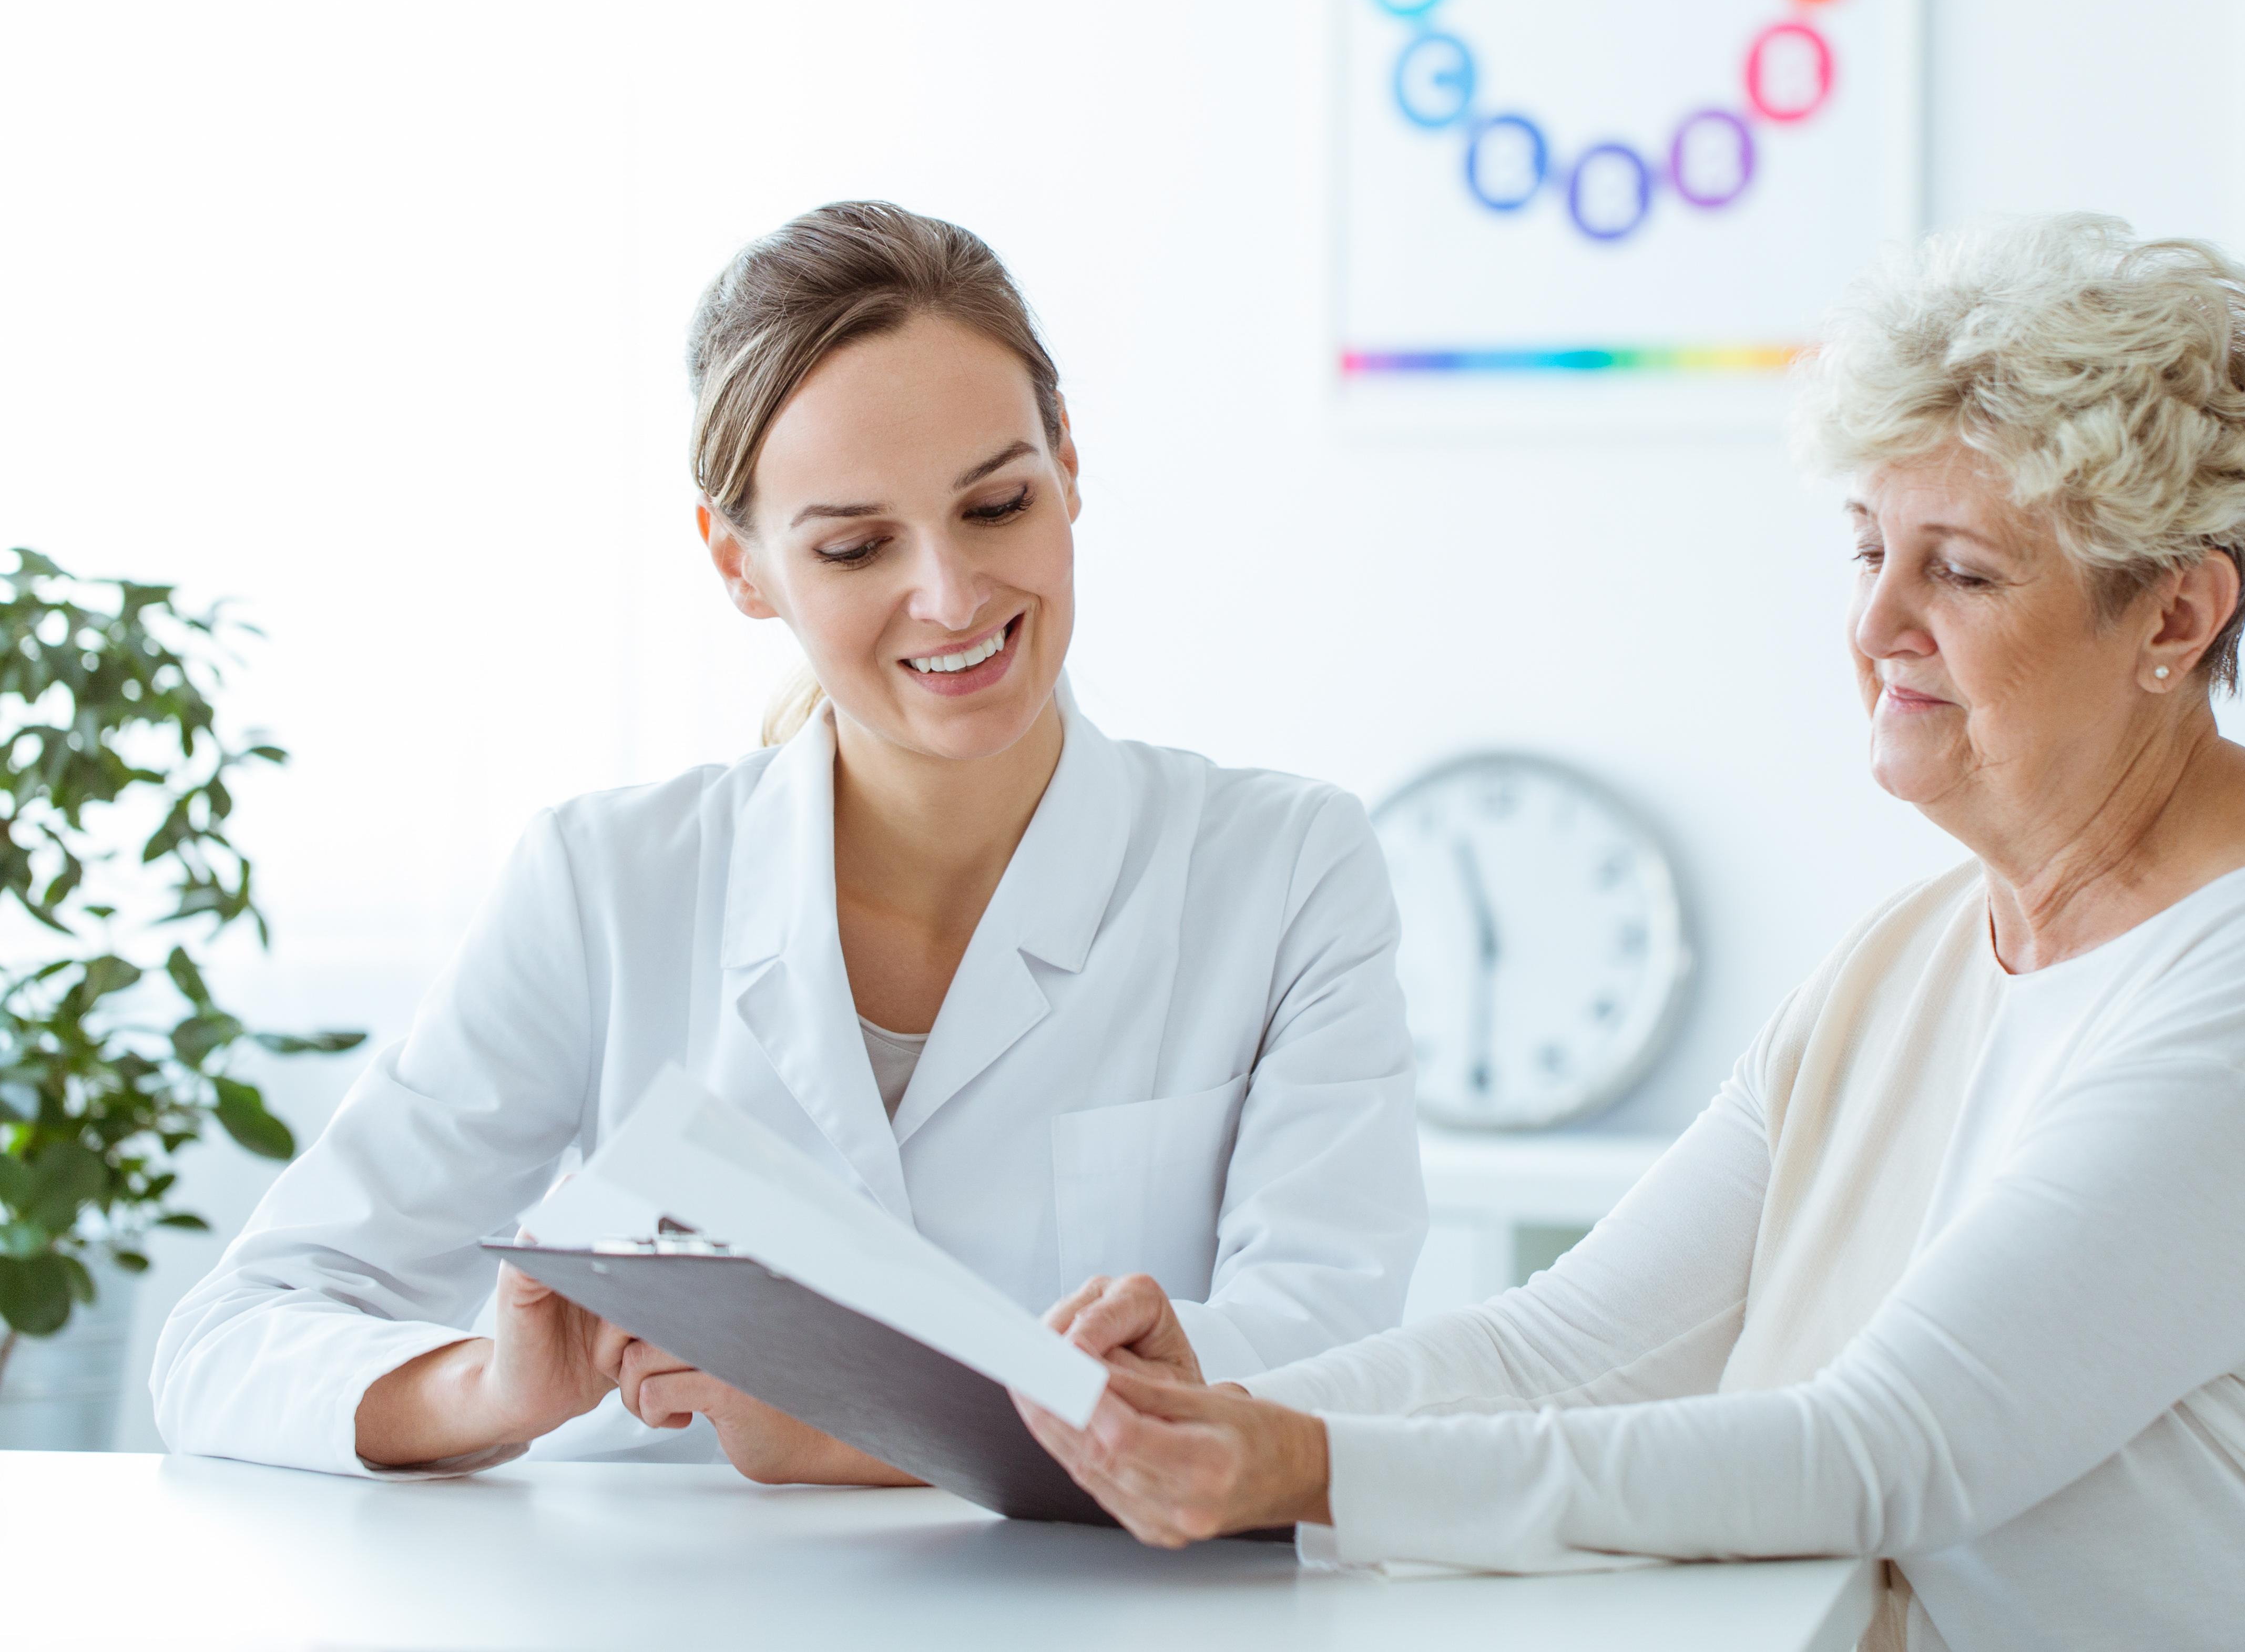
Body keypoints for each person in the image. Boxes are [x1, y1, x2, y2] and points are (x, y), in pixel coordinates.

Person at [1010, 216, 2245, 1652]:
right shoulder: (1922, 950)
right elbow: (1574, 1345)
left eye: (1962, 572)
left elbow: (1885, 1447)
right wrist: (1218, 1409)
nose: (1873, 626)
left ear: (2177, 614)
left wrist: (1301, 1466)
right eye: (1870, 548)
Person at [152, 201, 1424, 1482]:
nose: (951, 594)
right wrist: (488, 1387)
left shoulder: (1283, 869)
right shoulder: (605, 886)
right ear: (739, 563)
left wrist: (846, 1426)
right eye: (858, 545)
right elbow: (226, 1342)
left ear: (1069, 467)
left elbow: (1337, 1365)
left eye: (995, 505)